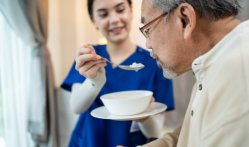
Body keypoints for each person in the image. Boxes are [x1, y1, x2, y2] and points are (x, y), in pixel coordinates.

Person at [131, 0, 249, 146]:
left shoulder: (237, 74)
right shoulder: (211, 63)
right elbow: (192, 133)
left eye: (148, 29)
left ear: (185, 19)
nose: (148, 45)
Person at [61, 0, 175, 146]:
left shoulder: (155, 61)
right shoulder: (89, 57)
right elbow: (77, 107)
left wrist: (143, 113)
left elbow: (155, 132)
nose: (114, 20)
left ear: (131, 11)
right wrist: (95, 82)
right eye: (103, 14)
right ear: (94, 21)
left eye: (120, 10)